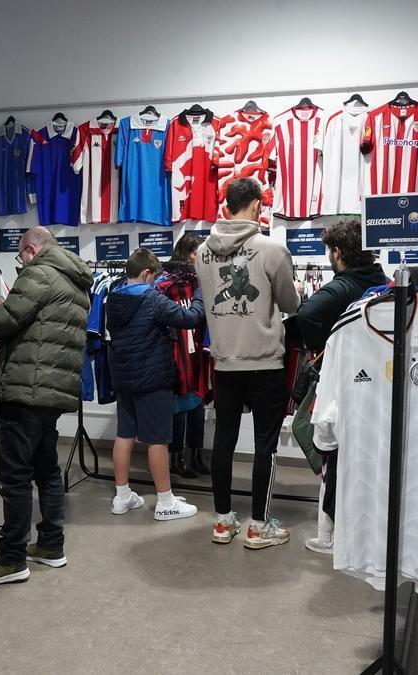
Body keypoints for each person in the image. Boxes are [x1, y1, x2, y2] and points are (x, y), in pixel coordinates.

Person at [0, 226, 92, 586]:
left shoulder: (38, 273)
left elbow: (2, 322)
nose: (20, 264)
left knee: (14, 477)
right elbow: (38, 324)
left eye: (20, 257)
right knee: (47, 471)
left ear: (30, 249)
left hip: (26, 390)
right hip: (51, 392)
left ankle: (11, 558)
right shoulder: (75, 279)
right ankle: (51, 545)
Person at [193, 177, 302, 549]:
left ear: (226, 205)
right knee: (265, 446)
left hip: (224, 363)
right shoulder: (271, 249)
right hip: (265, 363)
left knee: (222, 442)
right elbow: (291, 305)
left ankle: (223, 522)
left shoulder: (204, 251)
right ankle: (258, 525)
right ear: (256, 205)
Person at [294, 219, 388, 555]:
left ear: (337, 252)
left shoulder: (341, 286)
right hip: (379, 382)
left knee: (330, 452)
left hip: (345, 383)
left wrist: (325, 350)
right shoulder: (384, 281)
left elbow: (306, 315)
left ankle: (329, 534)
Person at [107, 248, 205, 521]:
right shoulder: (152, 299)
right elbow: (190, 319)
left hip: (125, 378)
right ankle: (165, 501)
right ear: (146, 272)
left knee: (125, 434)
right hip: (152, 379)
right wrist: (198, 293)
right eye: (155, 275)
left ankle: (122, 495)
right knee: (157, 439)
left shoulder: (113, 299)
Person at [163, 232, 210, 478]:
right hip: (177, 351)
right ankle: (176, 458)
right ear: (184, 253)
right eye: (194, 252)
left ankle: (196, 455)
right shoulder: (166, 284)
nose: (198, 257)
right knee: (179, 407)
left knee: (197, 404)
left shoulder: (199, 281)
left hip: (196, 349)